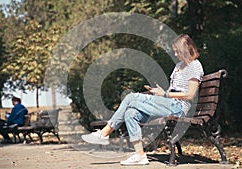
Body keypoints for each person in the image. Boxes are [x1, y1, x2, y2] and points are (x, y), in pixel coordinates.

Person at [81, 34, 204, 165]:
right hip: (169, 104)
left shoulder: (194, 66)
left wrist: (166, 95)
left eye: (177, 51)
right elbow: (174, 90)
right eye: (174, 51)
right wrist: (161, 94)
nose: (175, 54)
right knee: (131, 113)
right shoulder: (179, 66)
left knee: (131, 98)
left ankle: (104, 133)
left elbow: (190, 94)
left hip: (178, 108)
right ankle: (140, 155)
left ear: (186, 49)